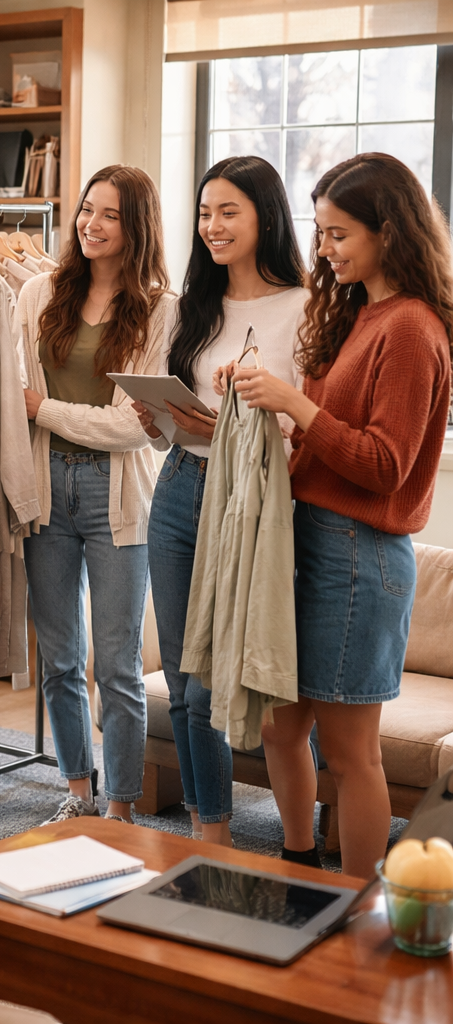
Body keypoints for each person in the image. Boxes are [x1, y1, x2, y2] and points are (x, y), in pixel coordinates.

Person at [229, 153, 452, 879]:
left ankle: (356, 906)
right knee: (279, 729)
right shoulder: (357, 312)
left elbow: (385, 465)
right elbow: (328, 440)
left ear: (390, 231)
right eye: (320, 232)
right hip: (308, 542)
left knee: (352, 753)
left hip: (359, 555)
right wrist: (261, 404)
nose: (323, 249)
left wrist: (296, 404)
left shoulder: (412, 327)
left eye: (339, 234)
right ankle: (299, 870)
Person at [132, 156, 306, 847]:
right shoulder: (191, 307)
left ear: (267, 216)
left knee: (212, 681)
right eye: (205, 213)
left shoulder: (304, 308)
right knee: (180, 678)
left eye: (229, 211)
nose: (213, 226)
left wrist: (229, 431)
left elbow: (303, 425)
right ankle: (212, 831)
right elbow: (173, 424)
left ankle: (266, 830)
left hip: (249, 500)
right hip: (179, 485)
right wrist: (158, 422)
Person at [20, 165, 173, 824]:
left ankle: (122, 806)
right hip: (43, 488)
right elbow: (12, 396)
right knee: (58, 658)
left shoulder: (161, 309)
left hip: (119, 496)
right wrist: (39, 412)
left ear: (135, 226)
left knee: (117, 665)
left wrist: (45, 410)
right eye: (87, 209)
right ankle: (78, 791)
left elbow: (131, 428)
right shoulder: (37, 294)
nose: (92, 223)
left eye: (110, 214)